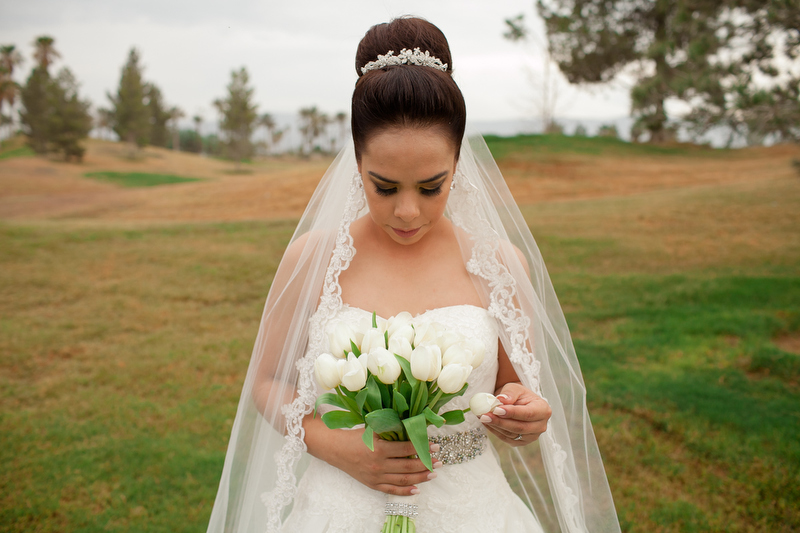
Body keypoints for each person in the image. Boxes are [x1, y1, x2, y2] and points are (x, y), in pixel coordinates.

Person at [206, 17, 620, 533]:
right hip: (340, 506)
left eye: (430, 187)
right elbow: (268, 382)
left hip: (471, 513)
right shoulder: (313, 259)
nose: (407, 211)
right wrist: (337, 444)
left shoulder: (499, 265)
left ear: (458, 165)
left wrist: (526, 416)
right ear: (356, 164)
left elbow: (516, 392)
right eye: (385, 187)